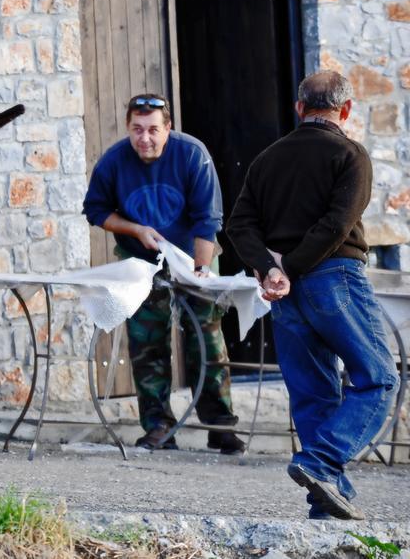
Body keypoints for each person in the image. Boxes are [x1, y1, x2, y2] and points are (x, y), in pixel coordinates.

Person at [227, 71, 398, 521]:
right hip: (334, 277)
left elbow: (238, 226)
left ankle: (326, 504)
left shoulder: (267, 159)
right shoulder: (351, 155)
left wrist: (271, 269)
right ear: (345, 111)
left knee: (312, 394)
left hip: (287, 294)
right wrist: (291, 268)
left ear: (300, 109)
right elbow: (337, 225)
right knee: (379, 378)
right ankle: (320, 463)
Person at [83, 93, 245, 454]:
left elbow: (209, 222)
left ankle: (220, 426)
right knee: (147, 343)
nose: (145, 138)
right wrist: (136, 230)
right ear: (128, 128)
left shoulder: (192, 155)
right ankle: (158, 426)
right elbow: (95, 210)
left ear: (168, 128)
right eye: (137, 130)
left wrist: (201, 272)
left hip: (193, 254)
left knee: (206, 338)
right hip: (140, 260)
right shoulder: (113, 161)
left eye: (153, 130)